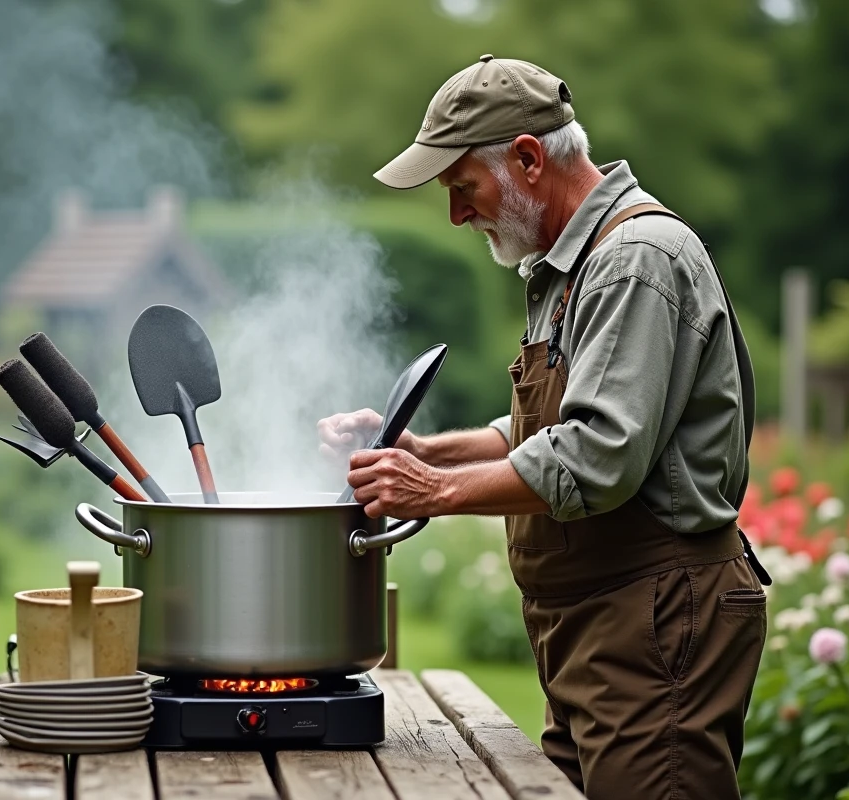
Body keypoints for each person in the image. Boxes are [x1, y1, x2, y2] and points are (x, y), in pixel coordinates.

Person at [318, 55, 770, 800]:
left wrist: (433, 491)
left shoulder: (634, 261)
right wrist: (425, 452)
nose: (457, 215)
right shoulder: (571, 263)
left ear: (528, 159)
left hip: (655, 621)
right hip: (603, 626)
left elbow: (594, 457)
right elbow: (543, 430)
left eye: (463, 187)